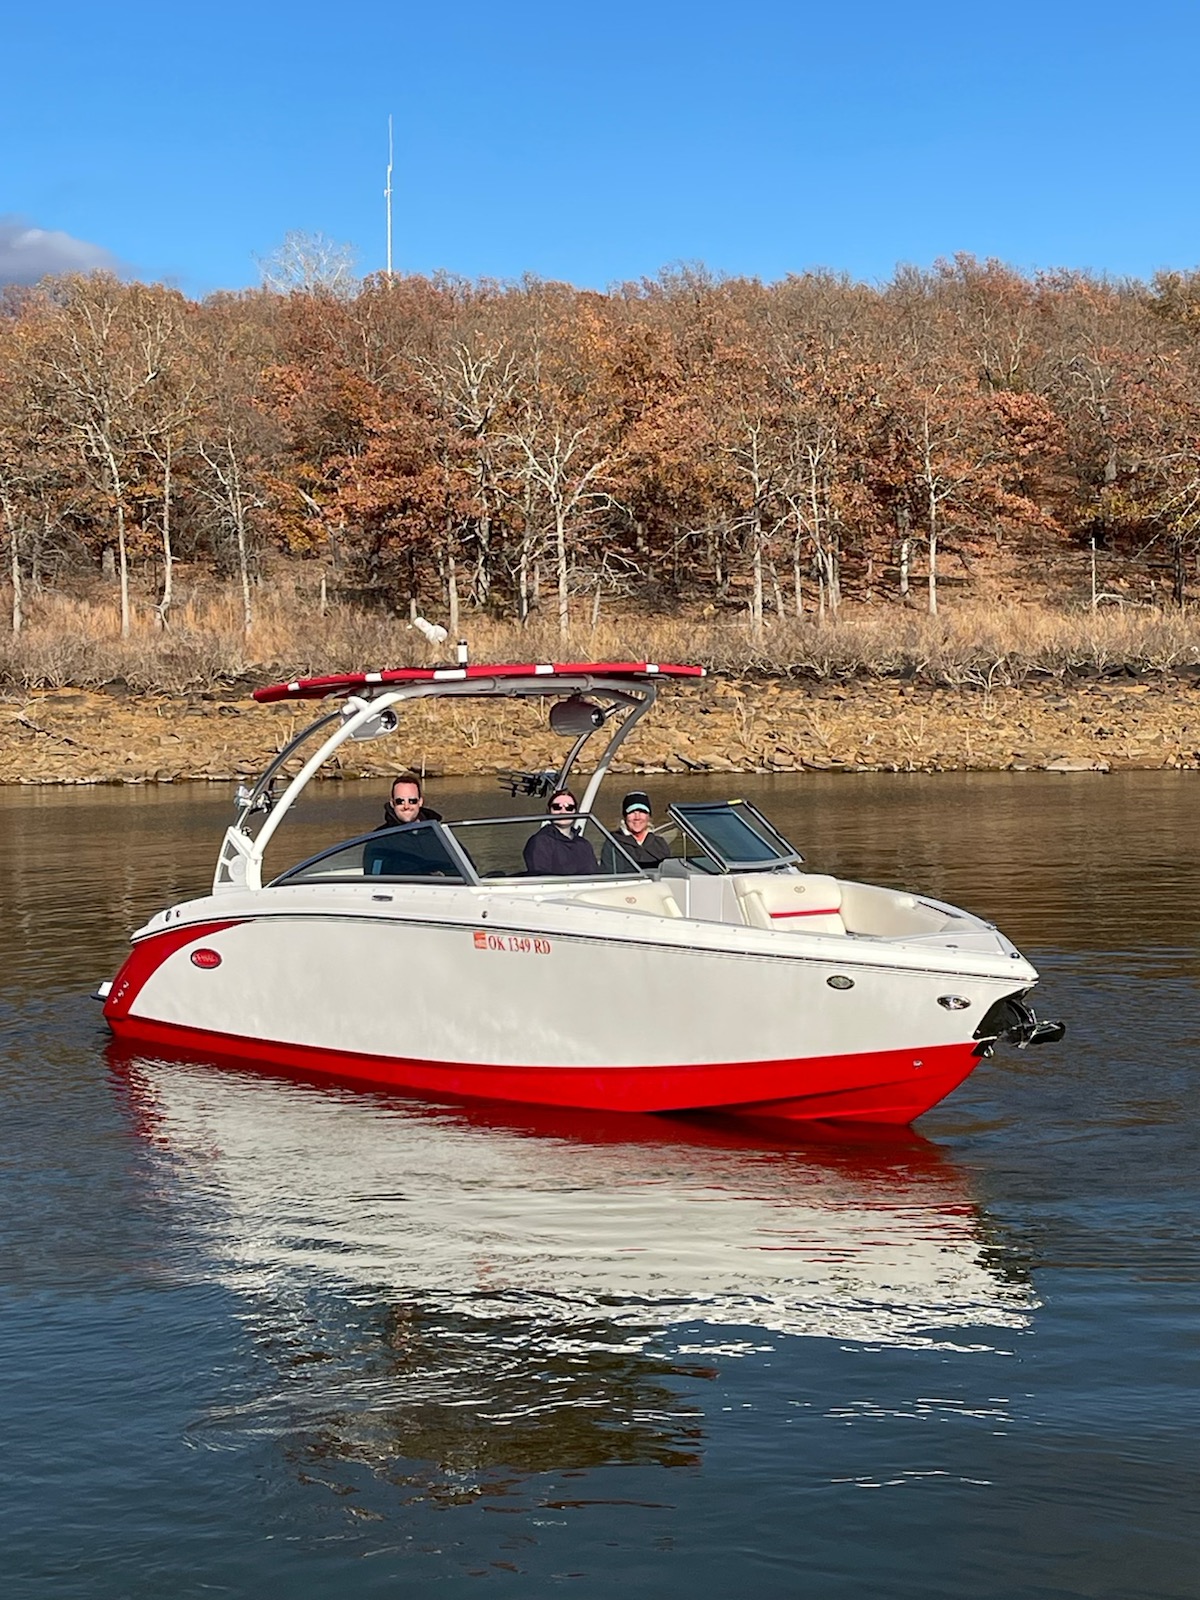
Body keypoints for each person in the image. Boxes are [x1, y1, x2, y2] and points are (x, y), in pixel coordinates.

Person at [522, 789, 599, 876]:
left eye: (569, 808)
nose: (563, 811)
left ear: (575, 812)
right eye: (557, 807)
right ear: (549, 811)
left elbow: (595, 875)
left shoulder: (584, 844)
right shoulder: (540, 841)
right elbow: (541, 879)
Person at [616, 790, 669, 868]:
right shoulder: (614, 843)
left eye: (642, 811)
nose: (637, 817)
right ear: (625, 816)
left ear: (648, 816)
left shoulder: (660, 843)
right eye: (632, 812)